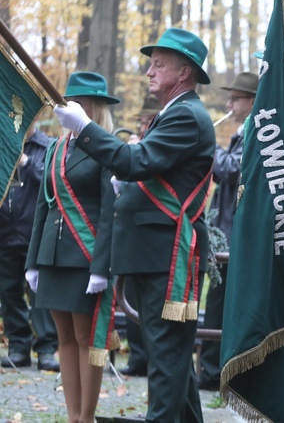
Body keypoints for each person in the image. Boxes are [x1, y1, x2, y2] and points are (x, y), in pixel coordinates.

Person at [53, 27, 216, 422]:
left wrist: (85, 129)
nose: (148, 71)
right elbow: (142, 168)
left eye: (159, 64)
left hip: (164, 257)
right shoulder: (173, 113)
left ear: (184, 73)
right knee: (171, 358)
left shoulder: (187, 115)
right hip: (152, 255)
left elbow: (135, 162)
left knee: (166, 360)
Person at [25, 72, 119, 423]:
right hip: (52, 255)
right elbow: (42, 205)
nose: (69, 108)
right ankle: (72, 416)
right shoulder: (55, 147)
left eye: (77, 102)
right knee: (62, 336)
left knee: (85, 338)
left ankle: (86, 417)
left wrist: (101, 266)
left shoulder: (107, 146)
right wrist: (33, 260)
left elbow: (109, 213)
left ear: (92, 107)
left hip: (84, 253)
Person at [198, 71, 257, 391]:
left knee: (222, 306)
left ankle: (213, 373)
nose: (230, 104)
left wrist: (208, 145)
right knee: (218, 304)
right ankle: (212, 372)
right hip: (226, 230)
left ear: (251, 102)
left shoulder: (255, 132)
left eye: (236, 99)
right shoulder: (242, 131)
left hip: (235, 236)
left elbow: (232, 169)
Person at [0, 126, 59, 371]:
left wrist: (24, 161)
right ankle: (18, 348)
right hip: (4, 235)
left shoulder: (48, 147)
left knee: (41, 295)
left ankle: (46, 349)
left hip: (35, 234)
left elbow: (52, 181)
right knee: (8, 294)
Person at [120, 94, 161, 377]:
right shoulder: (139, 143)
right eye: (142, 120)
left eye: (148, 120)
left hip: (152, 234)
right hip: (131, 232)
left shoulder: (157, 144)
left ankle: (149, 357)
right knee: (131, 299)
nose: (143, 125)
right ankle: (137, 357)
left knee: (149, 304)